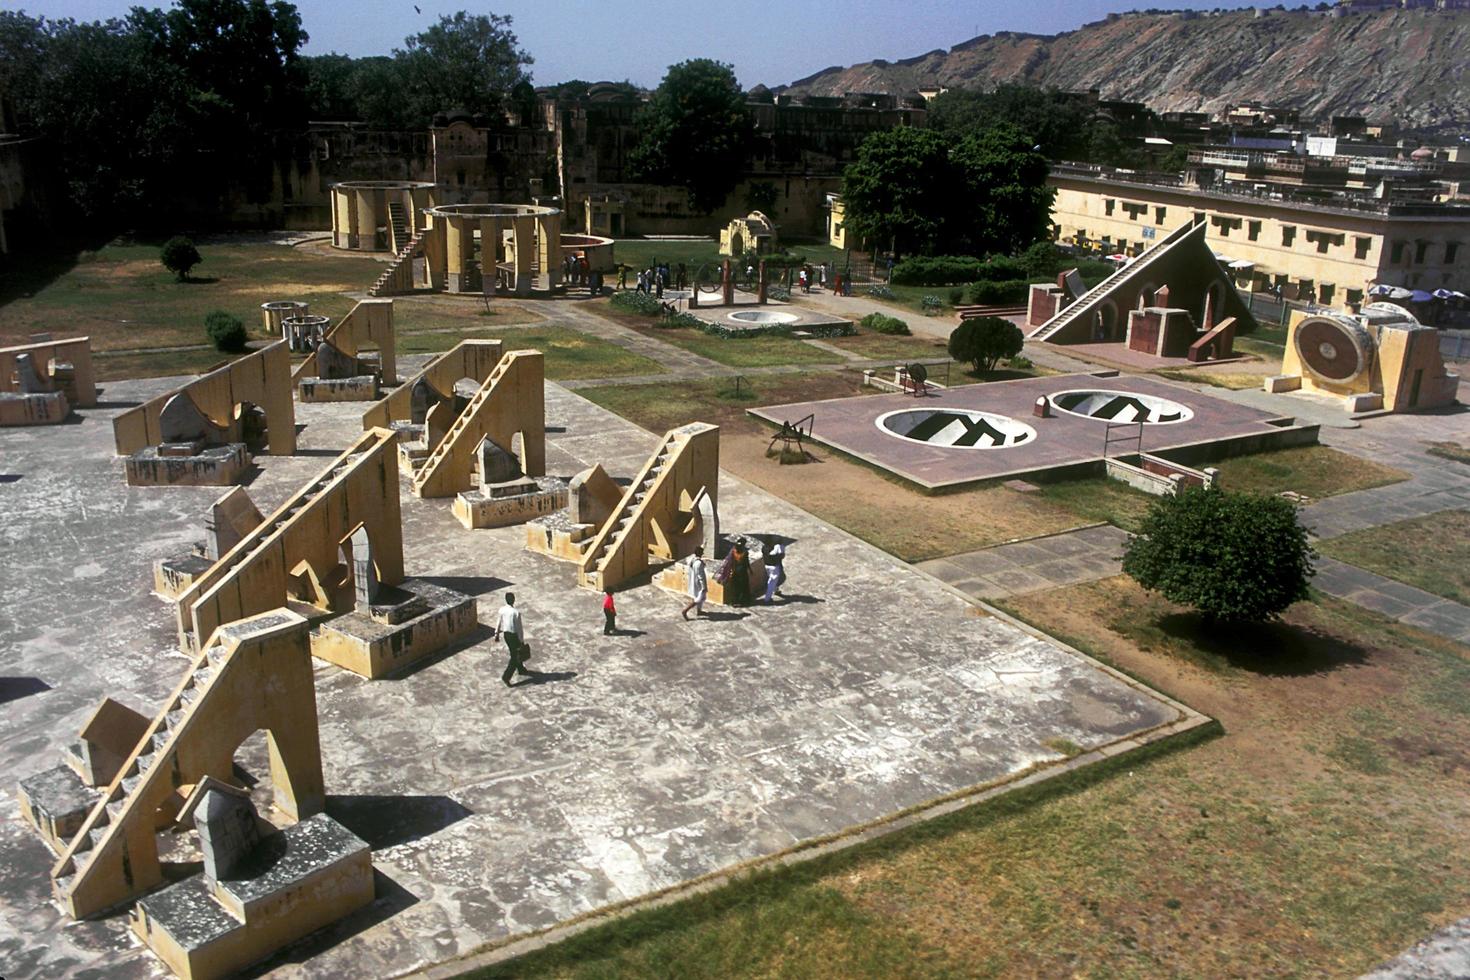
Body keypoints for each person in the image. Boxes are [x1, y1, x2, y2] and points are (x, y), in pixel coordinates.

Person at [492, 592, 530, 686]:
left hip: (506, 635)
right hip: (514, 636)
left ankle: (521, 669)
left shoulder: (502, 610)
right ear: (514, 600)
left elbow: (498, 622)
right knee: (515, 657)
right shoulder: (516, 613)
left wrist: (496, 634)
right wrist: (521, 641)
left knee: (515, 652)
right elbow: (519, 629)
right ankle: (506, 677)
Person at [681, 546, 707, 620]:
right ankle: (685, 611)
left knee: (699, 598)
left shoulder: (692, 560)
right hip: (699, 584)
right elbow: (700, 576)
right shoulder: (698, 563)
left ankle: (699, 611)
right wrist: (703, 586)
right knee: (698, 598)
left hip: (694, 581)